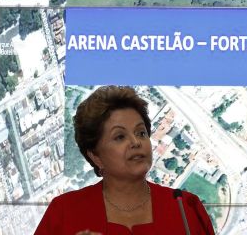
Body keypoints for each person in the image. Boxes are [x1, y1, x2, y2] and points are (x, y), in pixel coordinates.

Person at [35, 86, 215, 235]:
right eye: (120, 137)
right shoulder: (64, 213)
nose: (136, 142)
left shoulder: (186, 208)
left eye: (141, 133)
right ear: (95, 156)